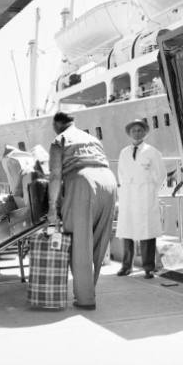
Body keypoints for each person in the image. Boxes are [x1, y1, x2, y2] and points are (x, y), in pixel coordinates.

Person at [47, 112, 117, 310]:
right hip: (109, 182)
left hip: (83, 182)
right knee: (99, 239)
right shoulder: (92, 138)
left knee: (80, 242)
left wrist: (52, 206)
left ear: (56, 124)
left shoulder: (59, 139)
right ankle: (89, 289)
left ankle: (86, 299)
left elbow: (54, 175)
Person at [115, 119, 167, 279]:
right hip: (128, 195)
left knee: (147, 232)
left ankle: (148, 268)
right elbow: (121, 174)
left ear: (145, 132)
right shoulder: (124, 152)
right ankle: (126, 266)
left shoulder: (152, 152)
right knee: (127, 232)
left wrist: (150, 190)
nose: (136, 133)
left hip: (145, 195)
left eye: (139, 130)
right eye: (133, 131)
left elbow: (160, 175)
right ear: (129, 134)